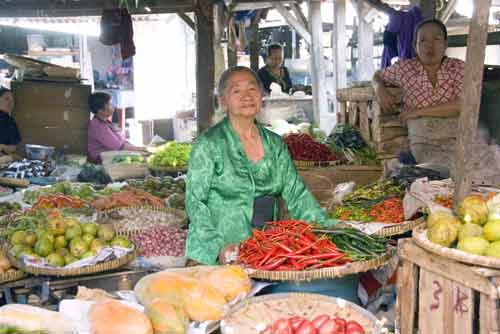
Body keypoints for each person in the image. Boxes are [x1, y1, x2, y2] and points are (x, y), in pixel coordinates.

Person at [185, 66, 337, 265]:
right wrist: (218, 246)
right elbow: (195, 202)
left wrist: (328, 229)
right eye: (236, 91)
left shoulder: (274, 144)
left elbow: (297, 194)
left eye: (252, 89)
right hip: (217, 254)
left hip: (262, 251)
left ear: (261, 96)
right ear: (223, 101)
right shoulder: (209, 144)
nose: (246, 96)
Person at [372, 18, 465, 168]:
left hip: (457, 136)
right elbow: (377, 76)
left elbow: (462, 105)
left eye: (437, 39)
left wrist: (416, 112)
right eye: (423, 40)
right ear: (415, 47)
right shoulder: (405, 69)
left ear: (446, 44)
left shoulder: (458, 67)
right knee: (436, 172)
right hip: (423, 140)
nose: (430, 45)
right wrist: (379, 89)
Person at [87, 92, 145, 163]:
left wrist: (139, 148)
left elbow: (122, 142)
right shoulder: (97, 126)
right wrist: (144, 149)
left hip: (113, 155)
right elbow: (120, 147)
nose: (113, 106)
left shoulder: (105, 122)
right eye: (109, 104)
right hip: (101, 161)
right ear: (100, 110)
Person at [0, 88, 21, 155]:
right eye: (6, 99)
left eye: (12, 101)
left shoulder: (11, 122)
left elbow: (15, 146)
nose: (10, 103)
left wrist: (3, 147)